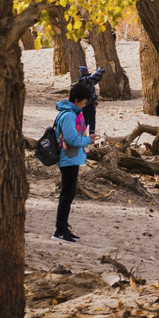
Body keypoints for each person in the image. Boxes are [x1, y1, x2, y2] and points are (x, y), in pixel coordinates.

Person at [53, 81, 94, 243]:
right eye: (84, 102)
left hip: (71, 158)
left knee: (68, 196)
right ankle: (59, 231)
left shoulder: (71, 113)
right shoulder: (69, 115)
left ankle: (63, 227)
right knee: (66, 196)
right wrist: (88, 140)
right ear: (77, 99)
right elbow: (71, 139)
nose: (84, 105)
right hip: (68, 158)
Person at [75, 64, 105, 135]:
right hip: (88, 105)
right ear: (85, 72)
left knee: (85, 121)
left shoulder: (86, 80)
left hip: (86, 104)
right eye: (87, 70)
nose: (88, 71)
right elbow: (93, 77)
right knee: (91, 122)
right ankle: (91, 137)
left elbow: (96, 79)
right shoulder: (84, 80)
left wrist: (101, 74)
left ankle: (81, 135)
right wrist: (99, 70)